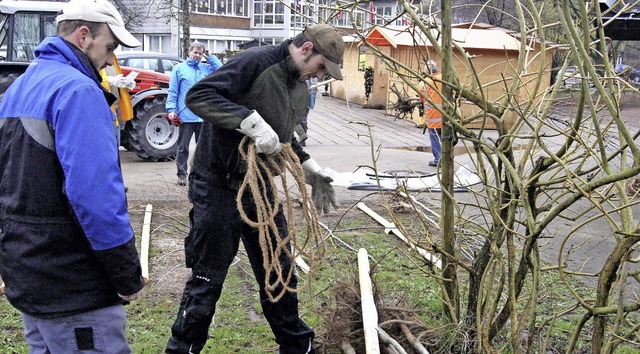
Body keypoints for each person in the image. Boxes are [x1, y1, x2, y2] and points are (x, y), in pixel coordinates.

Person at [165, 24, 345, 354]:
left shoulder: (299, 88)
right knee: (207, 278)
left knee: (280, 268)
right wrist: (248, 120)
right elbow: (199, 96)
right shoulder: (256, 62)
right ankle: (182, 348)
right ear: (306, 50)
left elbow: (286, 141)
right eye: (321, 67)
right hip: (217, 186)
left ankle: (295, 345)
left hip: (258, 188)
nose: (320, 76)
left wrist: (312, 171)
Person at [0, 0, 145, 352]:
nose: (110, 60)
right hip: (74, 285)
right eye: (109, 48)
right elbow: (94, 197)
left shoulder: (19, 87)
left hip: (28, 271)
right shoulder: (79, 92)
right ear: (84, 36)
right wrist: (127, 275)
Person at [166, 41, 223, 186]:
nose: (197, 56)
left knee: (203, 148)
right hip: (185, 115)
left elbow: (222, 70)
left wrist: (210, 57)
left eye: (200, 53)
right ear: (189, 53)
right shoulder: (179, 69)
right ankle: (181, 174)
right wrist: (171, 110)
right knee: (182, 147)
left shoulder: (206, 68)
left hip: (203, 115)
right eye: (195, 53)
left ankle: (199, 174)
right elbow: (173, 92)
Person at [419, 60, 443, 166]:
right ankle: (447, 159)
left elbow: (422, 99)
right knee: (446, 138)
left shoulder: (423, 83)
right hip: (446, 116)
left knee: (434, 138)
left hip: (433, 116)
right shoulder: (444, 78)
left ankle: (438, 159)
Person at [295, 76, 318, 146]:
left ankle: (302, 136)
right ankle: (302, 137)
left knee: (293, 118)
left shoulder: (305, 76)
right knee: (303, 119)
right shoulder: (312, 78)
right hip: (306, 100)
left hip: (301, 100)